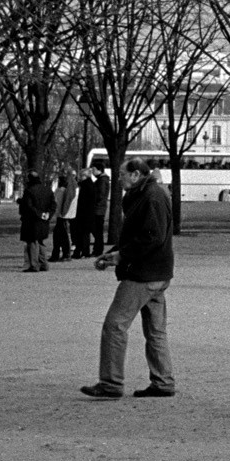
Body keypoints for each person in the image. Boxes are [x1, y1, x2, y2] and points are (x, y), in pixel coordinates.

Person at [81, 159, 177, 398]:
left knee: (115, 326)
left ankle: (111, 383)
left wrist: (121, 255)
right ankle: (163, 381)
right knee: (155, 331)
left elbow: (150, 237)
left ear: (135, 175)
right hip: (157, 272)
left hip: (143, 274)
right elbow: (140, 234)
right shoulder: (149, 194)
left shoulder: (151, 196)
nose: (119, 179)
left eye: (122, 175)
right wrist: (116, 252)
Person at [19, 170, 57, 272]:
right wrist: (47, 214)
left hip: (32, 220)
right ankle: (44, 264)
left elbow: (29, 206)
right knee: (41, 241)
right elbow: (53, 205)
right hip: (44, 220)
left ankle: (34, 265)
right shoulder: (48, 190)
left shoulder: (29, 190)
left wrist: (39, 214)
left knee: (32, 242)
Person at [73, 164, 108, 258]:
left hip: (86, 213)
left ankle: (85, 251)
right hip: (90, 212)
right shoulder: (92, 184)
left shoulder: (87, 185)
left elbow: (85, 201)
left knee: (85, 233)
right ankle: (86, 251)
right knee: (88, 233)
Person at [50, 169, 76, 262]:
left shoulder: (61, 190)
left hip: (62, 215)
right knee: (61, 234)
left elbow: (58, 202)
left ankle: (62, 254)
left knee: (61, 235)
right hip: (65, 214)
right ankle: (60, 253)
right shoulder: (72, 188)